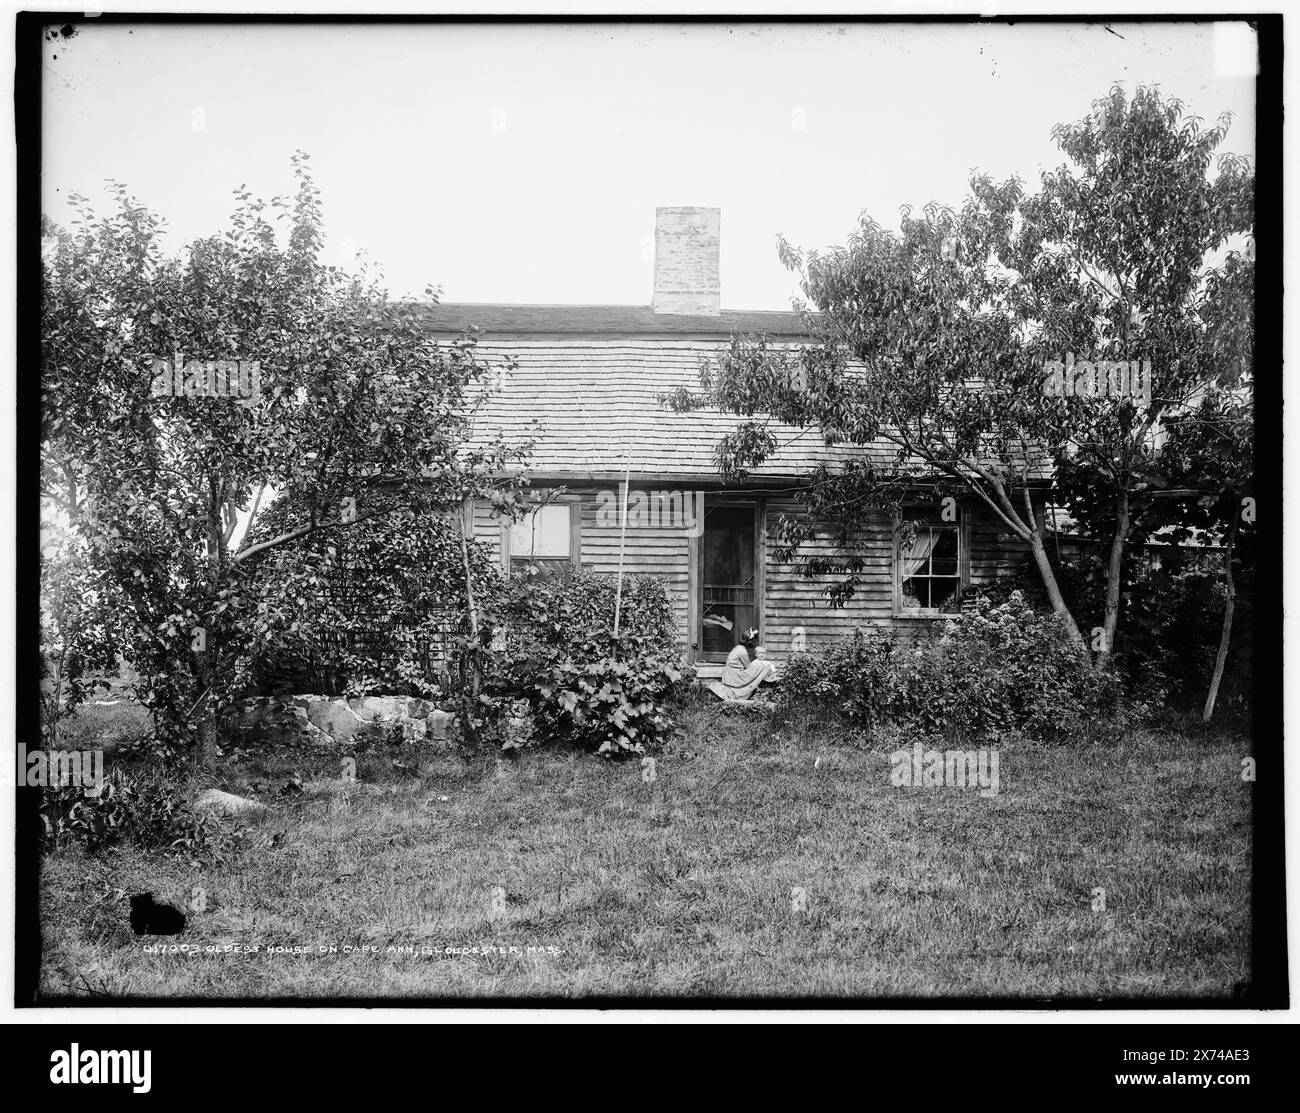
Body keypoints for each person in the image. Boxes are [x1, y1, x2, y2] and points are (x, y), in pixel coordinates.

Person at [721, 626, 778, 700]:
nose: (754, 644)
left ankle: (767, 683)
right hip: (734, 676)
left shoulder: (739, 647)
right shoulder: (742, 651)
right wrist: (762, 666)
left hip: (732, 673)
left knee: (760, 668)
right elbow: (749, 667)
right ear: (750, 642)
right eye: (754, 642)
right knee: (762, 668)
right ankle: (767, 683)